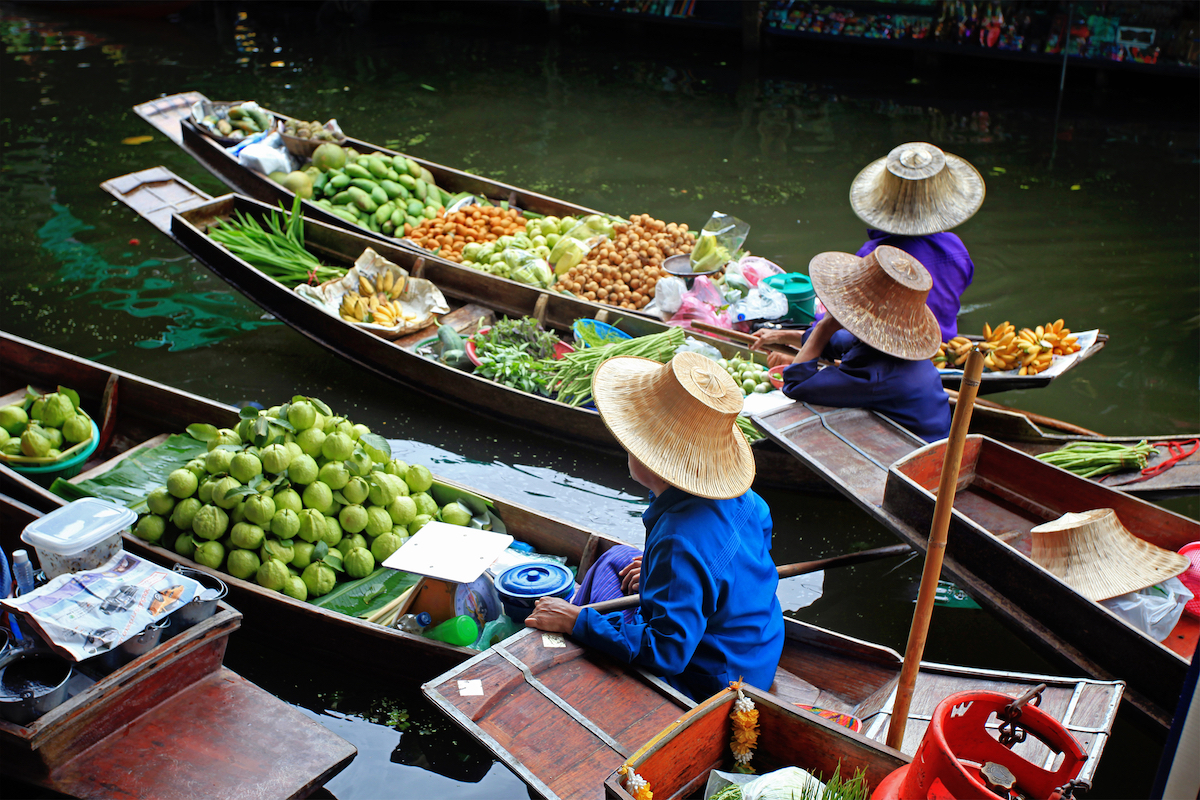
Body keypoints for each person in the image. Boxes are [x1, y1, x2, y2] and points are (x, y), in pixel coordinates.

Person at [524, 351, 784, 701]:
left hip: (718, 680)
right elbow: (736, 563)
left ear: (652, 459)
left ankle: (563, 624)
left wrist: (577, 622)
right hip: (760, 643)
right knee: (615, 559)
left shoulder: (679, 540)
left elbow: (667, 653)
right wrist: (653, 571)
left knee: (589, 617)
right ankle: (571, 612)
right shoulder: (749, 500)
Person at [750, 245, 952, 443]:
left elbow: (795, 384)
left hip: (916, 450)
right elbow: (839, 341)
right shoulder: (890, 346)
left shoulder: (875, 374)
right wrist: (779, 336)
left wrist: (825, 326)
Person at [847, 141, 985, 342]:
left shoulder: (872, 254)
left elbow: (852, 313)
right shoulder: (956, 247)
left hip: (891, 351)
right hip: (943, 342)